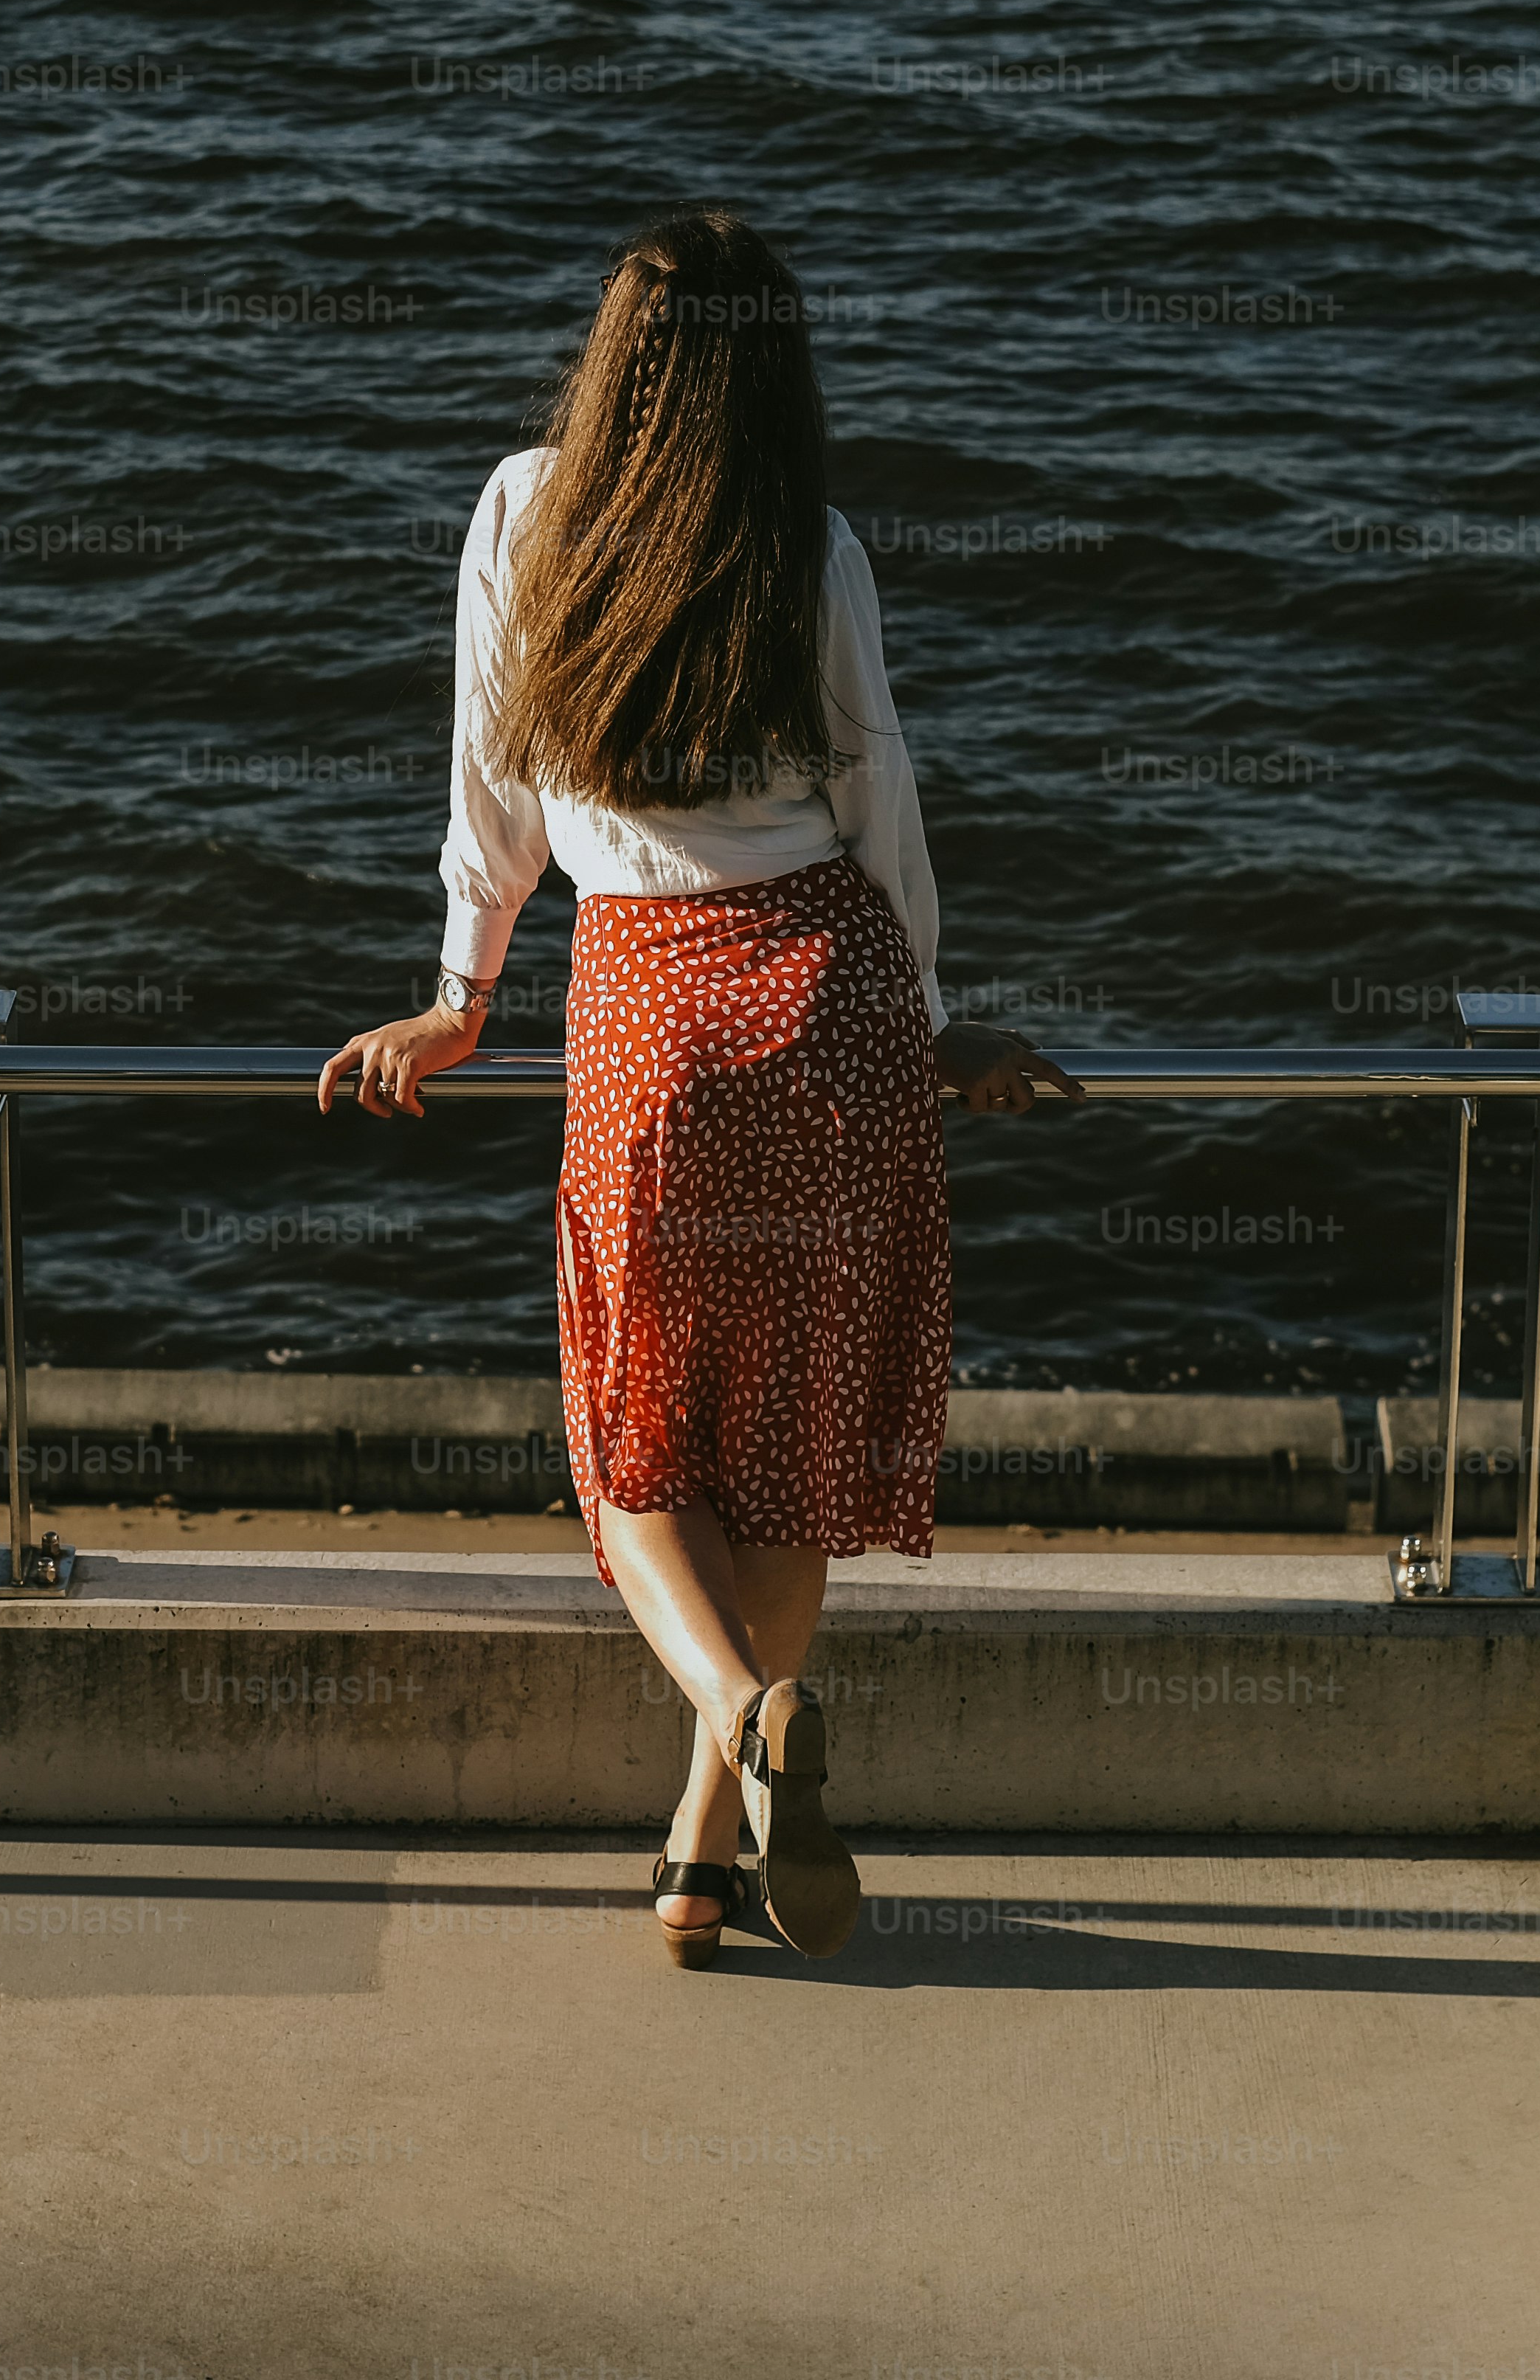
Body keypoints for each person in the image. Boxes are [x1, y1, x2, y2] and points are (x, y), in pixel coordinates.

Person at [315, 206, 1077, 1965]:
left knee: (634, 1448)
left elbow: (489, 789)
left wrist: (459, 995)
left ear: (614, 355)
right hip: (833, 1005)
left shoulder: (525, 508)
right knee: (790, 1449)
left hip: (651, 1013)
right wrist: (939, 1018)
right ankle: (705, 1846)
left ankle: (732, 1739)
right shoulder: (811, 547)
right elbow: (887, 818)